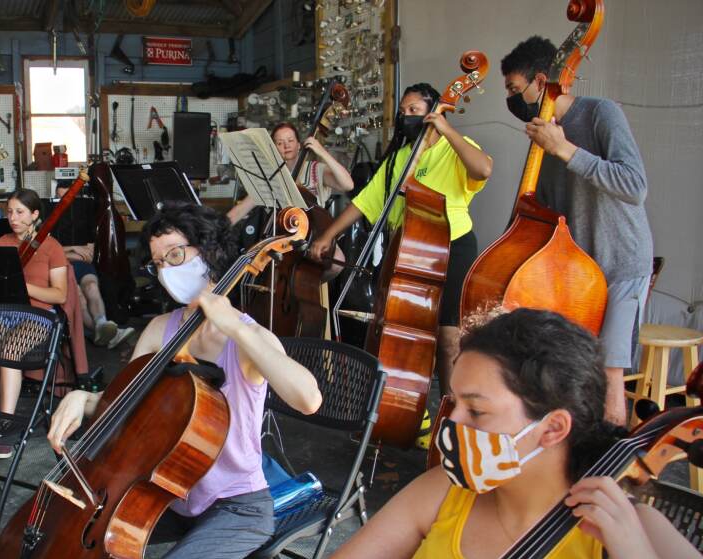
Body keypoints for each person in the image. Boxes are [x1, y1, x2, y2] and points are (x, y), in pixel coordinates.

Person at [200, 308, 703, 559]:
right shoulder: (447, 491)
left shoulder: (632, 535)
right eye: (453, 402)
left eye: (476, 411)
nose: (452, 423)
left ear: (552, 429)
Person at [42, 202, 322, 559]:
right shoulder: (161, 329)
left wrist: (234, 324)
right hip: (168, 492)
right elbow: (124, 401)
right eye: (158, 261)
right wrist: (83, 401)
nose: (167, 270)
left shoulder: (246, 340)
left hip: (237, 505)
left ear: (209, 254)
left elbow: (307, 398)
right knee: (75, 538)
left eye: (176, 255)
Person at [311, 82, 493, 419]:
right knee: (400, 332)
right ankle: (403, 412)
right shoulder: (398, 159)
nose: (406, 116)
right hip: (405, 250)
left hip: (450, 245)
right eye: (403, 111)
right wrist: (328, 236)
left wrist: (445, 128)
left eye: (414, 111)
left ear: (432, 113)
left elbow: (482, 169)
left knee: (448, 335)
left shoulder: (455, 147)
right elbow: (365, 203)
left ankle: (451, 417)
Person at [501, 36, 654, 426]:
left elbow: (634, 186)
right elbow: (546, 213)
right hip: (577, 277)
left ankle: (608, 470)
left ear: (540, 80)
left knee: (610, 375)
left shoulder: (601, 113)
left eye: (515, 89)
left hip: (620, 262)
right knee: (568, 374)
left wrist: (565, 150)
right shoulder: (543, 135)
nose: (512, 98)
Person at [0, 189, 69, 457]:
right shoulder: (1, 243)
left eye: (20, 212)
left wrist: (25, 287)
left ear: (35, 215)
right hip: (6, 312)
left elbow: (60, 294)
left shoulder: (51, 247)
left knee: (9, 351)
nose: (13, 217)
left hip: (40, 316)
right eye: (9, 212)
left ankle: (4, 426)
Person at [51, 179, 134, 349]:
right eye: (61, 199)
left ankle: (102, 326)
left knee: (91, 287)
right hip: (60, 268)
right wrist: (74, 249)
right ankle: (110, 333)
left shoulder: (86, 219)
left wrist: (65, 252)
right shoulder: (50, 219)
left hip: (79, 265)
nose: (65, 205)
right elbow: (49, 253)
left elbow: (87, 256)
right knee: (79, 295)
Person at [225, 122, 355, 226]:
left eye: (291, 140)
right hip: (282, 236)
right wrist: (216, 231)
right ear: (273, 149)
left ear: (299, 145)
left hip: (314, 234)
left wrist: (322, 152)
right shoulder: (271, 176)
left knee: (338, 257)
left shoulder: (316, 170)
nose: (286, 145)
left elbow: (348, 185)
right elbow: (242, 209)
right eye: (280, 143)